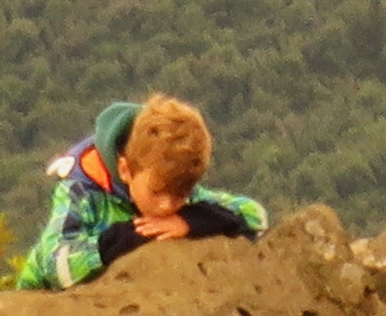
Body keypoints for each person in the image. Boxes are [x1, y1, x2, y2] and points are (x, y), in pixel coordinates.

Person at [16, 96, 264, 290]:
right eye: (157, 193)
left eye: (180, 195)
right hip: (39, 311)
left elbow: (255, 216)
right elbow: (54, 264)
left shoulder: (171, 183)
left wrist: (192, 220)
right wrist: (125, 237)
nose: (167, 206)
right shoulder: (82, 191)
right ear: (125, 170)